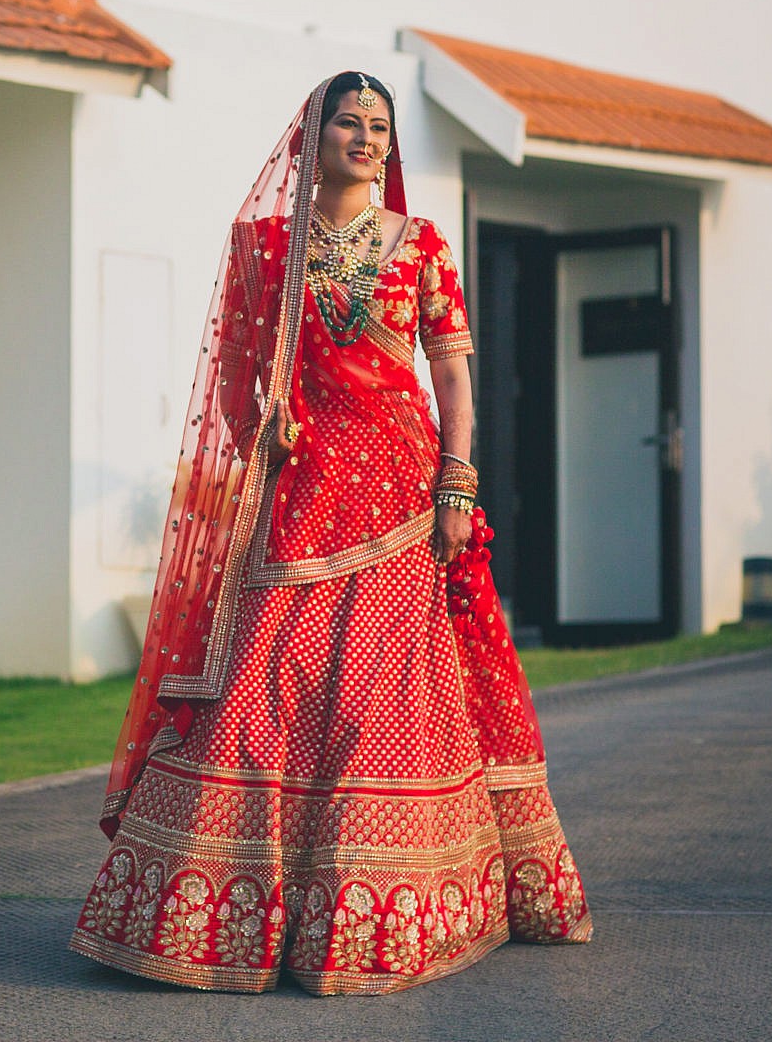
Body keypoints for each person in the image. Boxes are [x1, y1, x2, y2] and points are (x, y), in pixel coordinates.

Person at [70, 71, 592, 995]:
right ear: (309, 138)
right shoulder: (263, 246)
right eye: (348, 121)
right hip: (300, 498)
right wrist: (257, 429)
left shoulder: (421, 245)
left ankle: (371, 914)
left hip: (400, 500)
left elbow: (455, 380)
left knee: (377, 705)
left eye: (380, 125)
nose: (366, 137)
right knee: (265, 694)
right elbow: (232, 378)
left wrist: (457, 484)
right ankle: (221, 918)